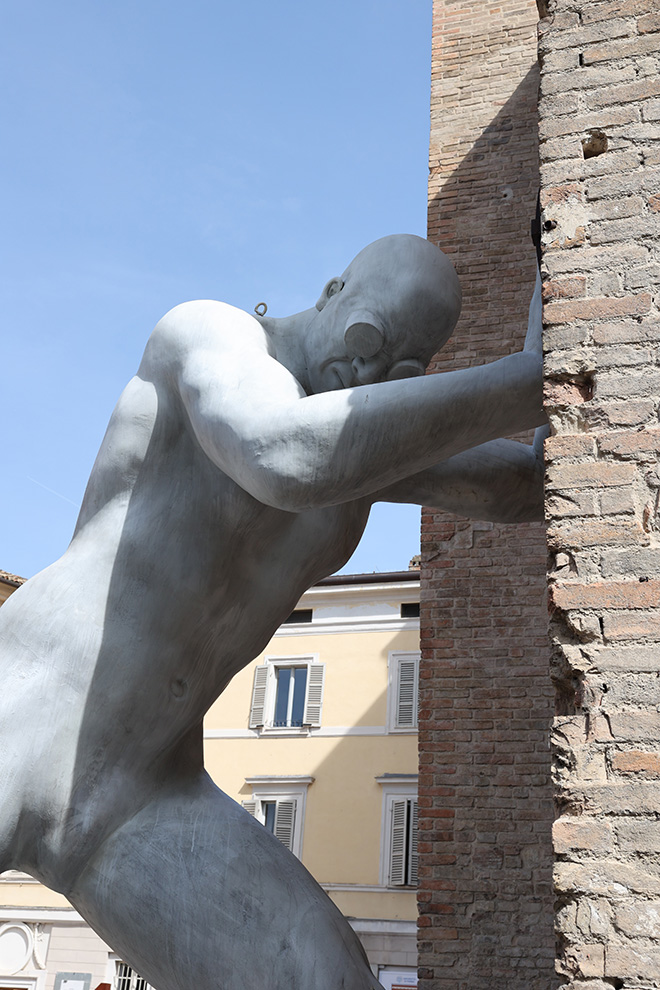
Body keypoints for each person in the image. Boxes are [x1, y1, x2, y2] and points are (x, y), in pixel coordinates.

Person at [0, 234, 546, 990]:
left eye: (400, 372)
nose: (367, 374)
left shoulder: (363, 431)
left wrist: (555, 312)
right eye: (367, 339)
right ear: (331, 292)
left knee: (318, 975)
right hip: (23, 719)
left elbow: (524, 484)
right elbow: (283, 455)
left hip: (144, 795)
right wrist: (528, 380)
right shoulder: (210, 337)